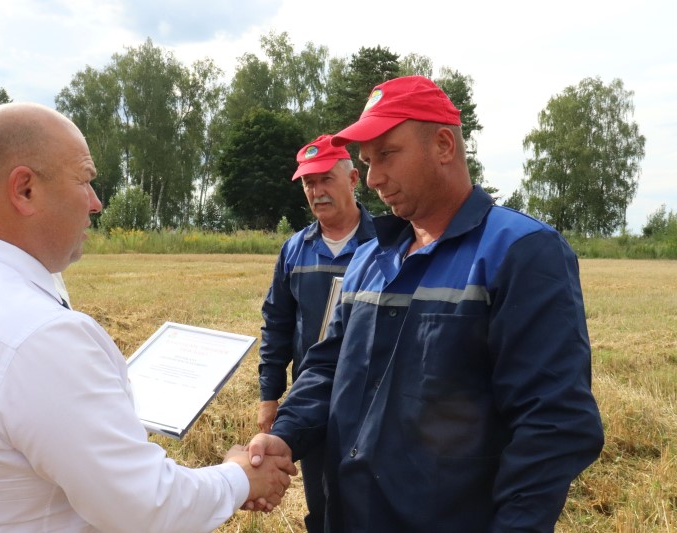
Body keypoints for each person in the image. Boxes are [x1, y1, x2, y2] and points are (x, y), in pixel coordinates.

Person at [0, 102, 295, 533]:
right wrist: (239, 476)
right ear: (25, 190)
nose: (96, 203)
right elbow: (148, 506)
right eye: (84, 180)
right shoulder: (40, 337)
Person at [248, 76, 604, 532]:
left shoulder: (521, 252)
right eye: (367, 161)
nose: (373, 178)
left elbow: (552, 423)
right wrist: (284, 435)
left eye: (387, 154)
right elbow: (326, 369)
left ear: (443, 145)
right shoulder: (367, 260)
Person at [258, 134, 375, 532]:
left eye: (326, 179)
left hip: (371, 400)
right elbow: (276, 324)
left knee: (370, 500)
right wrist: (269, 395)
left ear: (353, 179)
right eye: (309, 183)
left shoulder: (385, 246)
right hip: (312, 398)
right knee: (321, 502)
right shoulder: (294, 250)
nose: (317, 191)